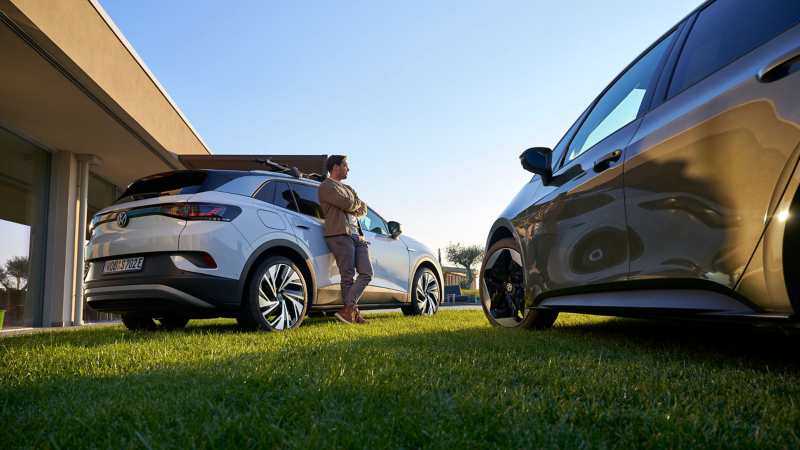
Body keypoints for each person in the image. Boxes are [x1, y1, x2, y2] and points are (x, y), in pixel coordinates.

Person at [318, 155, 373, 325]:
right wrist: (354, 203)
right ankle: (352, 313)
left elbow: (364, 209)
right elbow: (347, 204)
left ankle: (347, 310)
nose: (347, 169)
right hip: (340, 235)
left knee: (367, 273)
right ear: (336, 167)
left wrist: (353, 203)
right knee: (347, 277)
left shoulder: (348, 187)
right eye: (345, 166)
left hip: (358, 236)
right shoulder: (326, 186)